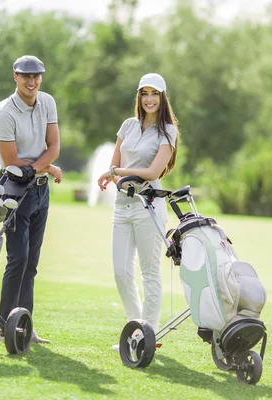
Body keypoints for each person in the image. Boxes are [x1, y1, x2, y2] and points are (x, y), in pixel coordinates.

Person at [97, 73, 179, 349]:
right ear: (139, 97)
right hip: (123, 206)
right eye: (144, 93)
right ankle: (135, 329)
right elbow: (114, 164)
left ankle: (148, 334)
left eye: (154, 94)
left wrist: (118, 172)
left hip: (150, 207)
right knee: (121, 271)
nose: (149, 99)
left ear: (163, 97)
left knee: (149, 272)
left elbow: (153, 172)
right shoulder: (128, 126)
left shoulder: (168, 131)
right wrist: (116, 173)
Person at [0, 55, 62, 344]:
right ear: (15, 77)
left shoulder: (47, 102)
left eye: (36, 76)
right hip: (14, 190)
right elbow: (12, 162)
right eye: (25, 76)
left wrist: (44, 167)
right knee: (17, 259)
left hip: (41, 190)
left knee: (31, 262)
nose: (32, 82)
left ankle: (24, 327)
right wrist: (46, 166)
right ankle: (3, 326)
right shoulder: (4, 112)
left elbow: (54, 146)